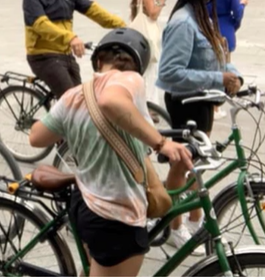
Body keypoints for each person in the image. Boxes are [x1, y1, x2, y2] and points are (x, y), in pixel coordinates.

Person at [29, 28, 192, 277]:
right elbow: (110, 102)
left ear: (97, 61)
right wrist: (162, 143)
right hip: (115, 219)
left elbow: (36, 137)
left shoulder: (73, 96)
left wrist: (71, 122)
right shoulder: (131, 79)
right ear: (137, 66)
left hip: (85, 205)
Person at [157, 0, 244, 255]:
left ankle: (195, 219)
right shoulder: (183, 23)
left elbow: (216, 59)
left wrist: (234, 76)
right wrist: (218, 77)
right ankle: (174, 226)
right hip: (186, 104)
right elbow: (169, 73)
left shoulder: (200, 17)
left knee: (196, 164)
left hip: (202, 101)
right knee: (181, 165)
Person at [23, 0, 126, 99]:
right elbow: (41, 25)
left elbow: (92, 9)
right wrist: (71, 38)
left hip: (65, 53)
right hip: (43, 56)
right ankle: (50, 124)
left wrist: (122, 26)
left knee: (83, 99)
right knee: (72, 101)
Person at [205, 0, 249, 120]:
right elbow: (236, 12)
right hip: (224, 27)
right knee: (223, 67)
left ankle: (208, 102)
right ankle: (216, 105)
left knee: (206, 66)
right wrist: (236, 20)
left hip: (206, 26)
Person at [129, 0, 167, 111]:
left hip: (141, 35)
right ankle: (149, 108)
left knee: (146, 71)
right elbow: (153, 13)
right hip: (148, 37)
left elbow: (148, 8)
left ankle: (144, 105)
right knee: (151, 72)